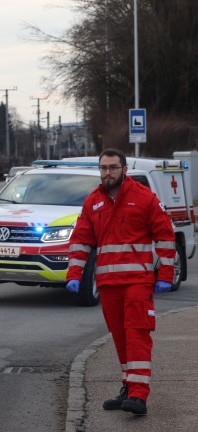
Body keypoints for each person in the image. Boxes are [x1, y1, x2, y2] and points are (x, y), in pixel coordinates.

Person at [66, 148, 175, 416]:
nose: (107, 173)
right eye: (103, 168)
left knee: (137, 334)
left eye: (113, 167)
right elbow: (81, 240)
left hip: (137, 281)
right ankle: (128, 386)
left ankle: (139, 395)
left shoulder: (144, 198)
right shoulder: (93, 202)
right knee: (120, 338)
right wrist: (74, 275)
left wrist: (165, 276)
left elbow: (165, 236)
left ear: (124, 169)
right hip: (108, 283)